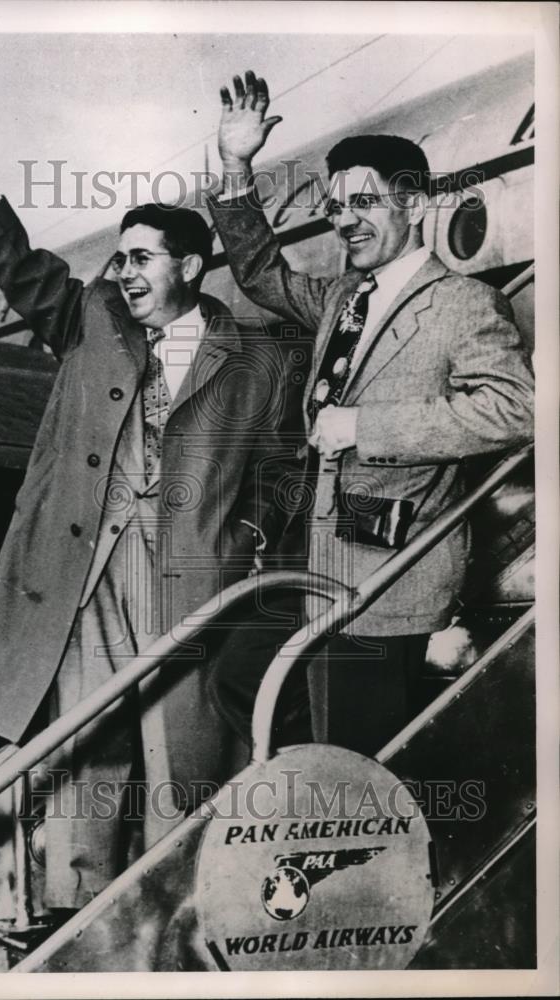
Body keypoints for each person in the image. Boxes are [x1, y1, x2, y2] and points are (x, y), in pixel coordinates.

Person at [0, 75, 299, 911]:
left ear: (191, 267)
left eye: (140, 257)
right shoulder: (91, 321)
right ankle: (70, 906)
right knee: (84, 749)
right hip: (87, 577)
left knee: (183, 757)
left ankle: (183, 905)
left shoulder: (261, 359)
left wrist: (243, 548)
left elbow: (282, 475)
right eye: (117, 257)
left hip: (190, 588)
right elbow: (18, 266)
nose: (121, 272)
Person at [207, 71, 534, 756]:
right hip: (315, 557)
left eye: (363, 202)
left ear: (412, 206)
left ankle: (350, 836)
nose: (342, 219)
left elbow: (514, 410)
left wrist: (365, 429)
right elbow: (260, 272)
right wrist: (236, 167)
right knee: (238, 680)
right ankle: (325, 798)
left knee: (355, 747)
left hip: (387, 572)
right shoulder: (339, 297)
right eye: (334, 205)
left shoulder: (461, 304)